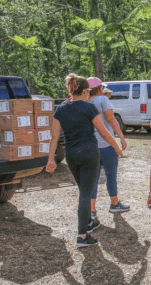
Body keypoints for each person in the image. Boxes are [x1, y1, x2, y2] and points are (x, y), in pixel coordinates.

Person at [45, 74, 124, 247]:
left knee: (84, 189)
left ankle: (89, 222)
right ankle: (82, 235)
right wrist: (117, 147)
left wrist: (51, 159)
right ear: (85, 91)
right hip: (89, 152)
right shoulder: (89, 108)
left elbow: (54, 136)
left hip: (71, 154)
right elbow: (104, 132)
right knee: (85, 193)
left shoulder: (61, 109)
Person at [87, 78, 130, 216]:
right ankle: (115, 204)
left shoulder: (84, 101)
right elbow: (111, 119)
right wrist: (121, 138)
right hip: (106, 144)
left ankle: (92, 210)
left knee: (93, 178)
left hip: (91, 146)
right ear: (99, 88)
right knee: (111, 175)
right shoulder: (103, 100)